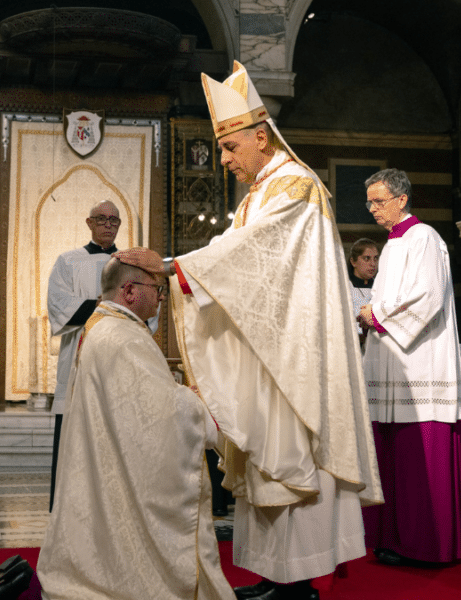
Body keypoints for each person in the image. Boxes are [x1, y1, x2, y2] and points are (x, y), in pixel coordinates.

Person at [170, 61, 382, 600]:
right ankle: (274, 576)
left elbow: (252, 255)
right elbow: (235, 256)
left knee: (290, 461)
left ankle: (297, 582)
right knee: (267, 463)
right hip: (268, 351)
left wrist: (177, 269)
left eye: (229, 146)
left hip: (294, 356)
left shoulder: (295, 186)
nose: (224, 159)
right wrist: (185, 270)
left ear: (260, 138)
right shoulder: (258, 193)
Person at [37, 247, 235, 600]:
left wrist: (175, 394)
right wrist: (196, 403)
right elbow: (160, 420)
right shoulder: (121, 337)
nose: (161, 298)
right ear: (129, 291)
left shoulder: (106, 326)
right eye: (157, 289)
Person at [356, 168, 461, 566]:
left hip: (419, 365)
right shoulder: (393, 243)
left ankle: (425, 545)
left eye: (378, 200)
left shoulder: (423, 237)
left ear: (402, 199)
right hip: (394, 364)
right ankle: (393, 538)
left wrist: (376, 314)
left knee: (417, 458)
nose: (372, 208)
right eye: (369, 202)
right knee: (394, 459)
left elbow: (428, 297)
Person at [45, 199, 122, 509]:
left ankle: (111, 507)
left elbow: (146, 314)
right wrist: (105, 306)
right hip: (77, 357)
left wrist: (104, 307)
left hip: (117, 356)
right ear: (89, 223)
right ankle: (67, 507)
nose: (108, 224)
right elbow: (58, 305)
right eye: (101, 218)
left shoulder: (128, 263)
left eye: (114, 220)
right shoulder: (68, 262)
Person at [349, 238, 379, 347]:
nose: (373, 264)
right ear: (353, 262)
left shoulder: (382, 287)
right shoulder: (345, 287)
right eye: (367, 258)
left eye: (375, 258)